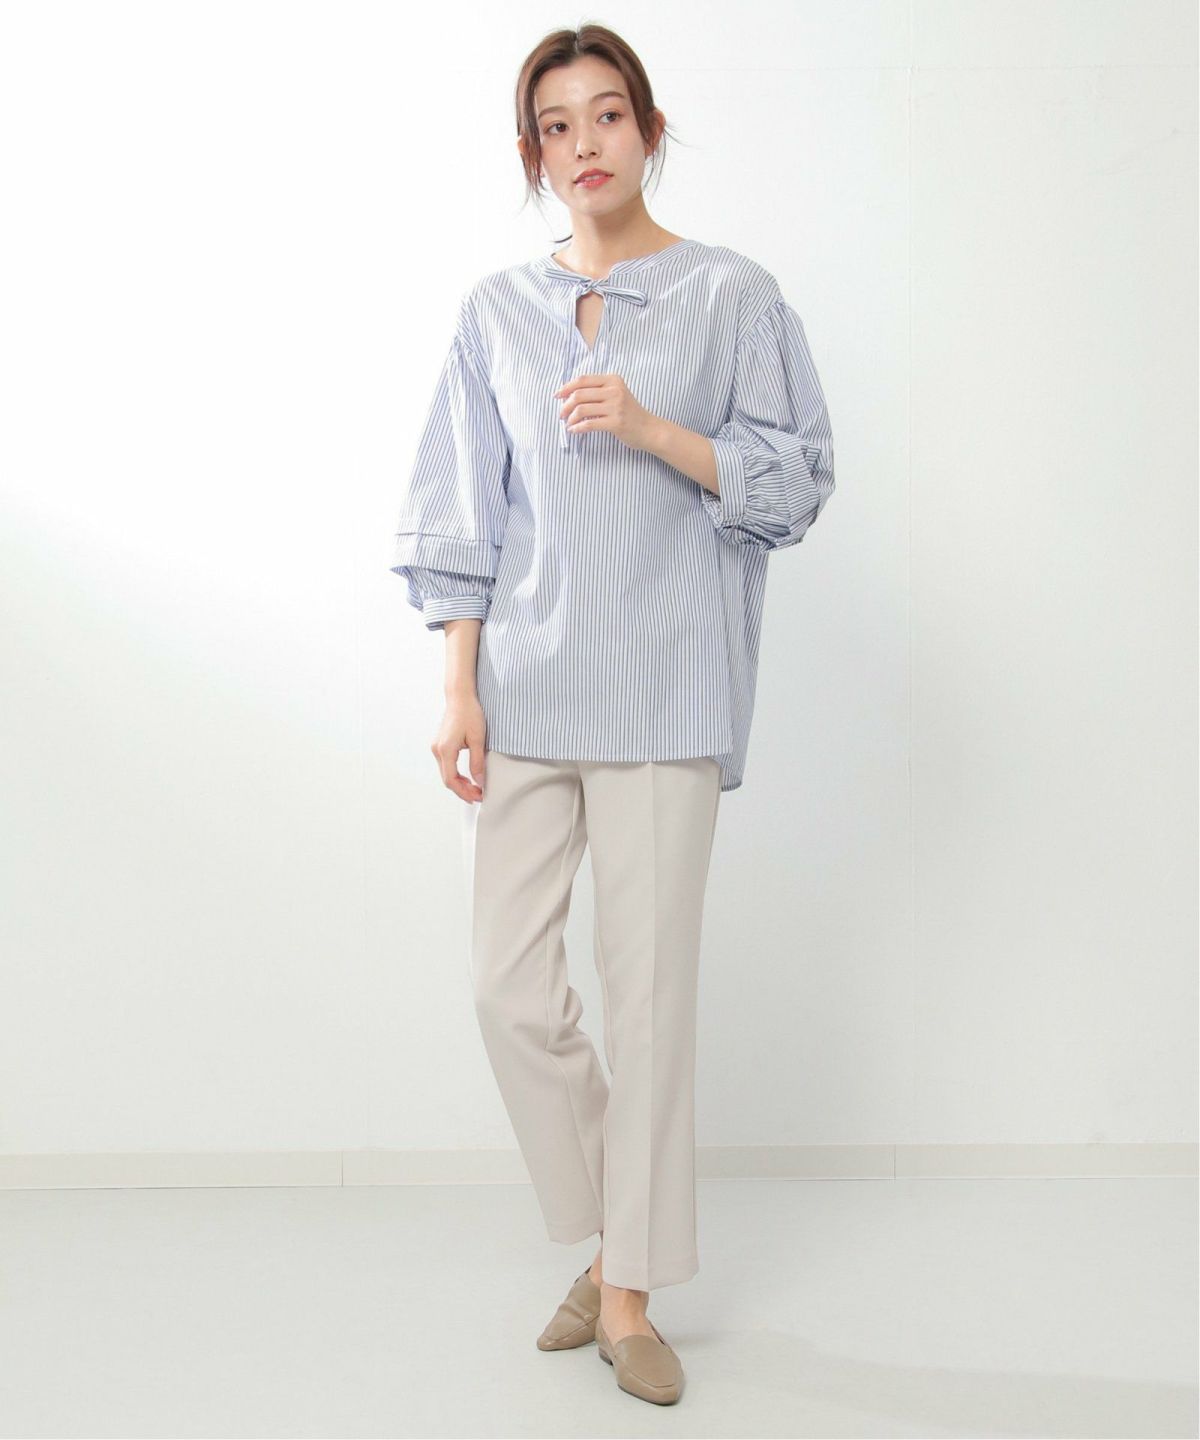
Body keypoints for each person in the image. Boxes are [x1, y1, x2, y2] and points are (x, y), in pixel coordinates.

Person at [390, 23, 835, 1407]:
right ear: (533, 154)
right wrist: (458, 684)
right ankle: (612, 1233)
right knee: (509, 992)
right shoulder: (495, 314)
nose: (583, 144)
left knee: (647, 1008)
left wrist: (649, 429)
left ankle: (628, 1290)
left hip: (664, 690)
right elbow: (465, 507)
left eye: (606, 115)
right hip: (527, 689)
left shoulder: (733, 297)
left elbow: (797, 481)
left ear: (649, 129)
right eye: (556, 125)